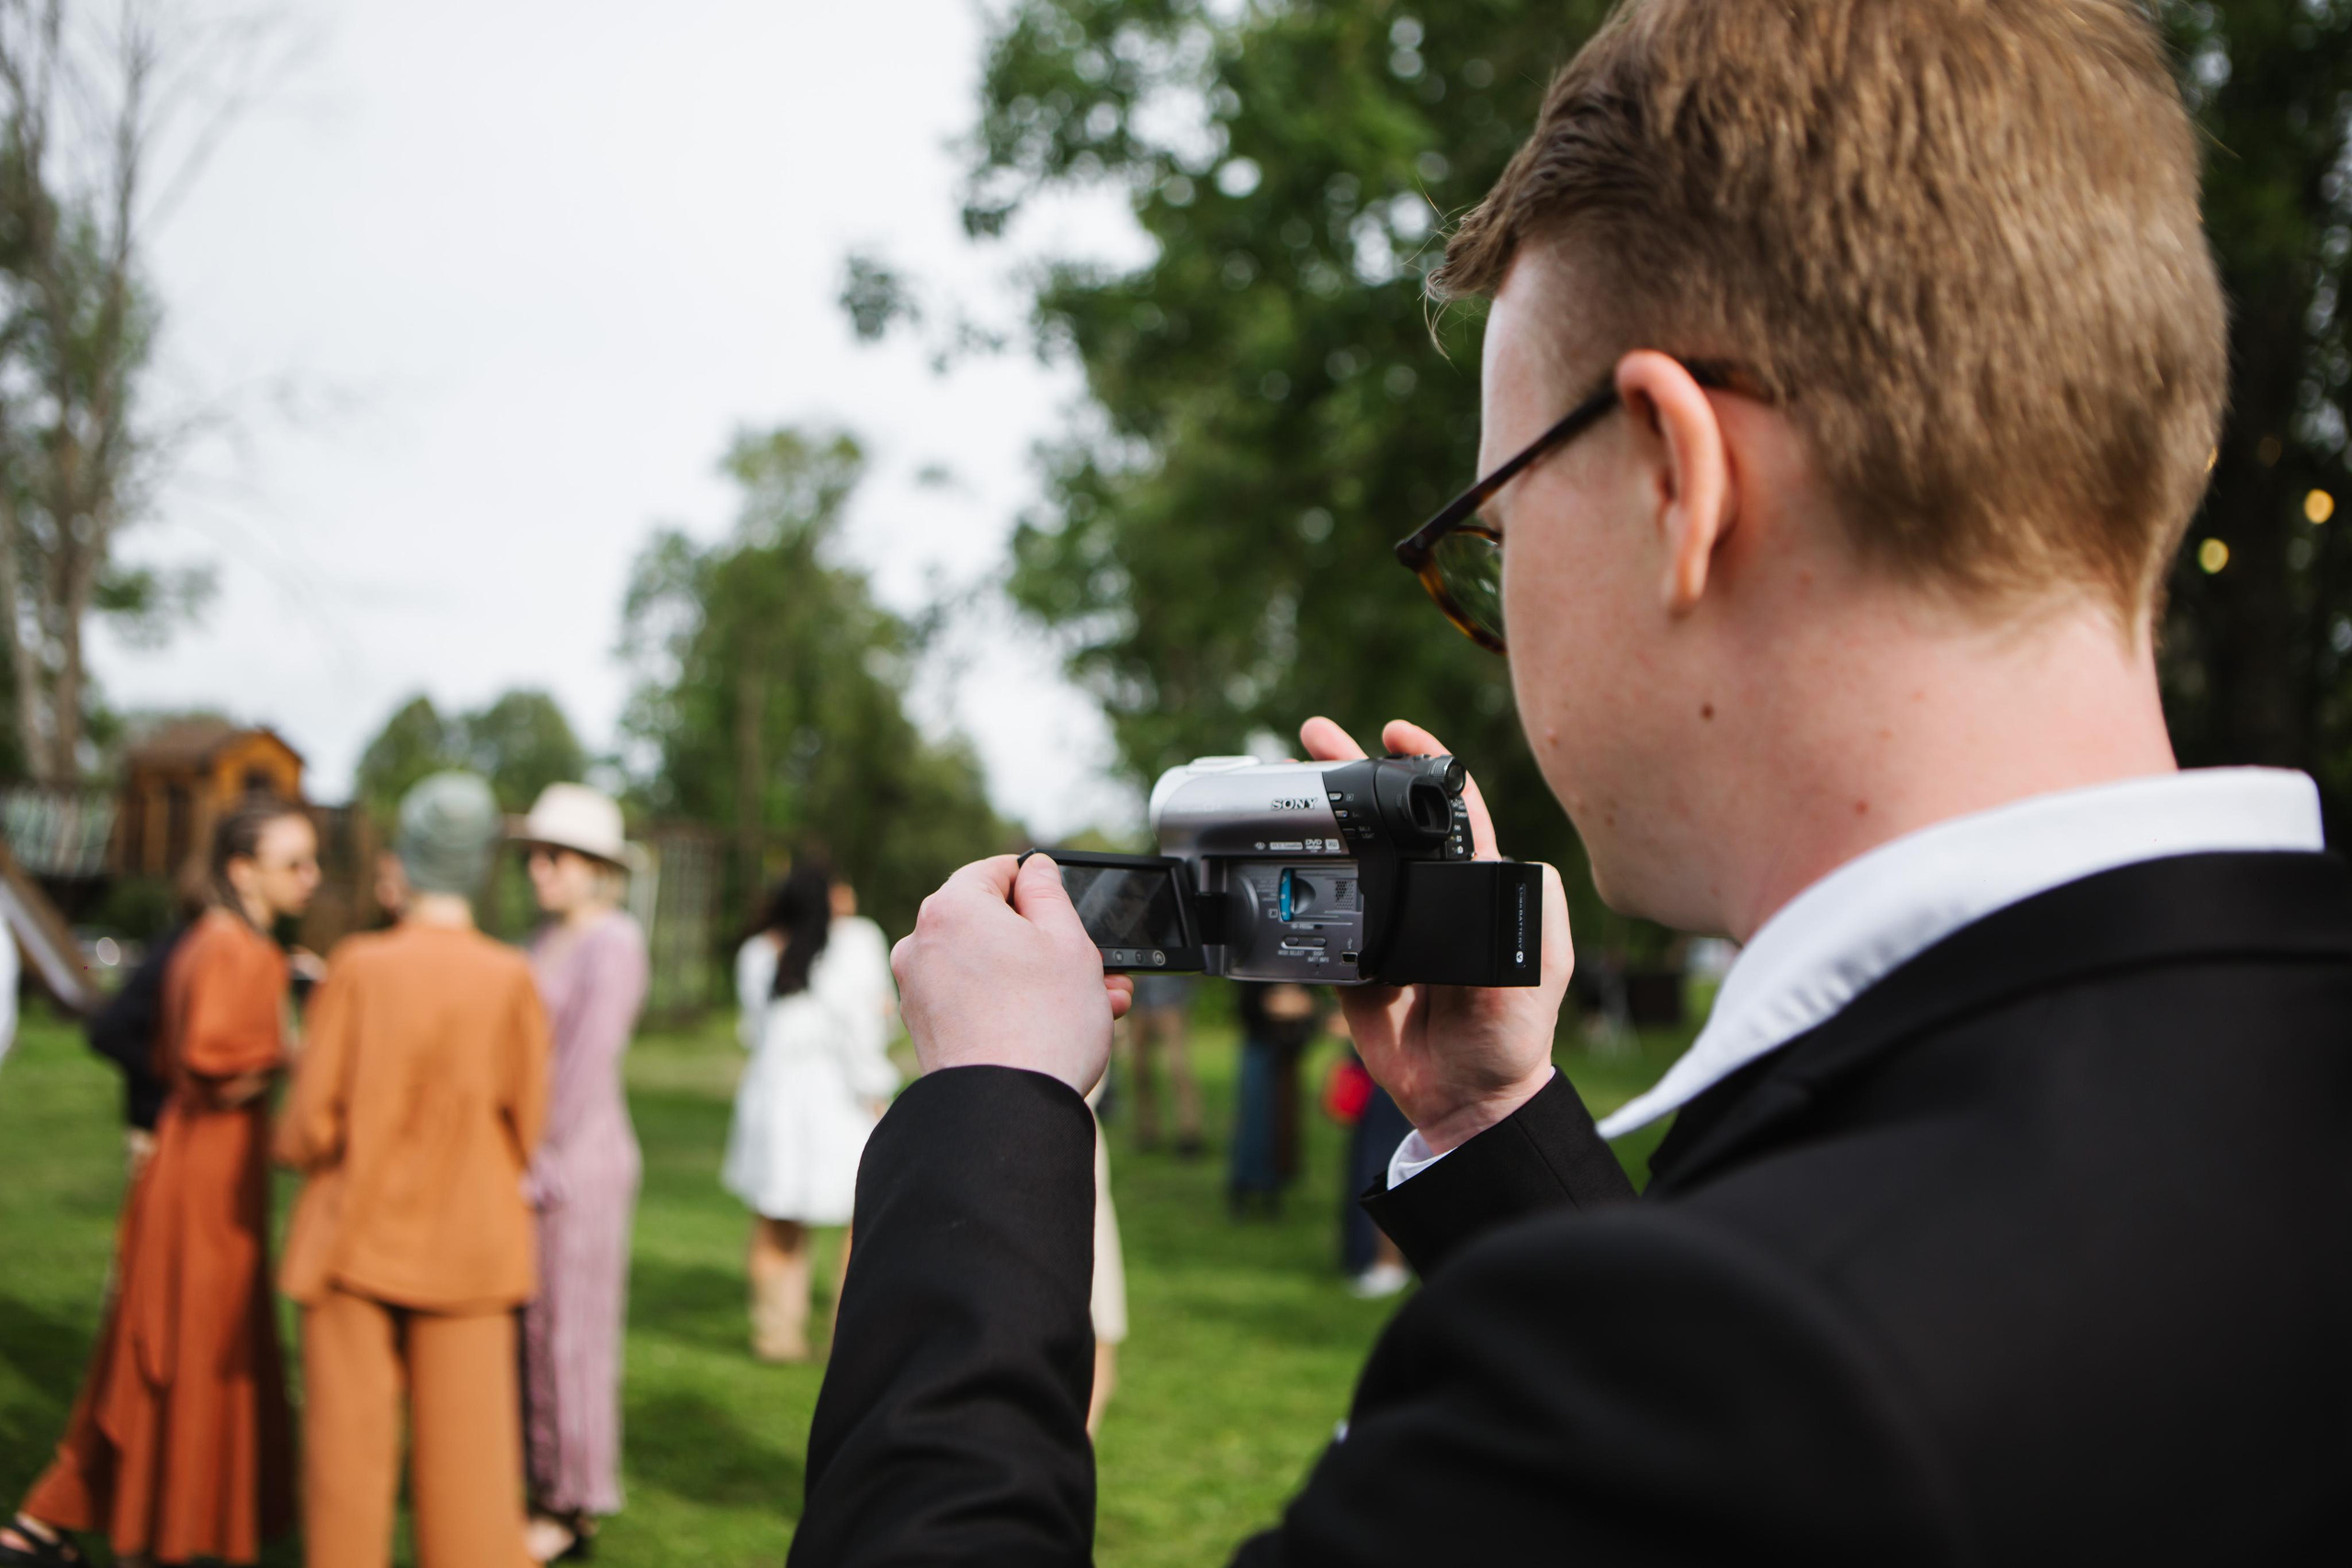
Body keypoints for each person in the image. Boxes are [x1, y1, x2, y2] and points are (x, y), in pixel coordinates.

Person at [787, 3, 2352, 1562]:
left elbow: (1714, 1404)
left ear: (1677, 478)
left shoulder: (1754, 1373)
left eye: (1495, 528)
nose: (1494, 607)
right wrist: (1494, 1127)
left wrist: (990, 1112)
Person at [4, 798, 320, 1568]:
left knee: (169, 1344)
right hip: (205, 1175)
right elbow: (212, 1057)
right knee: (185, 1346)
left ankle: (76, 1519)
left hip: (203, 1162)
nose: (311, 877)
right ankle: (154, 1528)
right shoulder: (236, 949)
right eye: (294, 863)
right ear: (243, 870)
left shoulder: (226, 940)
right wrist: (297, 1054)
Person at [276, 773, 549, 1568]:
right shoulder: (510, 977)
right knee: (471, 1487)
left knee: (347, 1477)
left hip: (352, 1239)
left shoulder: (358, 965)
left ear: (409, 856)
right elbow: (529, 1122)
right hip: (472, 1246)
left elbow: (306, 1126)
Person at [514, 784, 650, 1564]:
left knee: (573, 1332)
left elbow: (587, 1061)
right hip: (534, 1159)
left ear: (599, 867)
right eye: (535, 854)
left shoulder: (614, 942)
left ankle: (571, 1503)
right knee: (534, 1328)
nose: (540, 867)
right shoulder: (541, 940)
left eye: (556, 855)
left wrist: (540, 1152)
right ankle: (540, 1481)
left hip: (579, 1162)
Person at [722, 858, 897, 1361]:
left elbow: (753, 1030)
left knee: (777, 1216)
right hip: (834, 1097)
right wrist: (874, 1087)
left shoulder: (757, 952)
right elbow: (862, 1029)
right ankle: (850, 1334)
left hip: (773, 1094)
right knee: (860, 1219)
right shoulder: (857, 943)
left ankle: (776, 1333)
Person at [1226, 983, 1324, 1216]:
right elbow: (1248, 1002)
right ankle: (1245, 1185)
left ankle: (1272, 1187)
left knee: (1282, 1119)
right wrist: (1276, 1003)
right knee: (1255, 1117)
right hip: (1260, 1042)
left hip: (1286, 1049)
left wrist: (1301, 1004)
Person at [1122, 974, 1202, 1155]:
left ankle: (1189, 1132)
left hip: (1171, 1004)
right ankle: (1147, 1130)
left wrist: (1183, 998)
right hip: (1140, 1005)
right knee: (1140, 1071)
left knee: (1177, 1069)